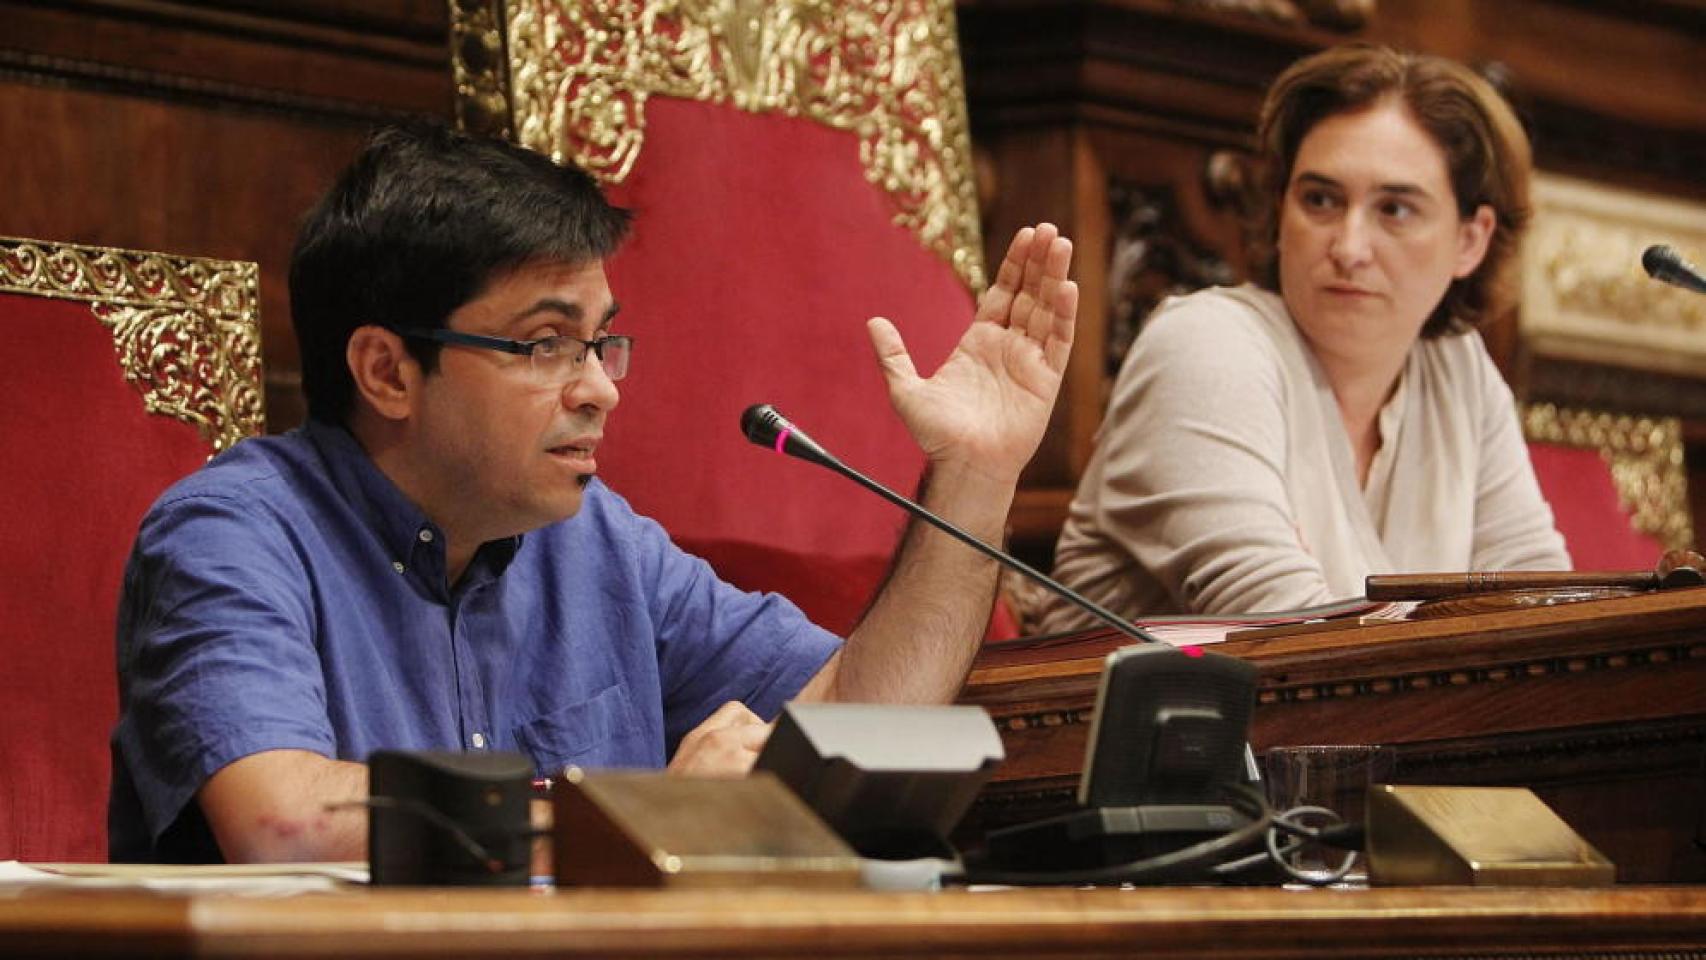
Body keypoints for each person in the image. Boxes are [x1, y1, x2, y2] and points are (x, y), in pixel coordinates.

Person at [109, 122, 1079, 863]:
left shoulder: (599, 544)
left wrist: (974, 474)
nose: (600, 387)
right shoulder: (231, 532)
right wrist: (643, 817)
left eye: (600, 339)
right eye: (544, 345)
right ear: (387, 372)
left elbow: (862, 725)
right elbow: (283, 819)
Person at [1039, 44, 1567, 630]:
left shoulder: (1457, 372)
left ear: (1471, 240)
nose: (1348, 247)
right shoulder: (1206, 345)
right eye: (1320, 200)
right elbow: (1299, 641)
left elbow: (1541, 613)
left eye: (1394, 209)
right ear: (1280, 212)